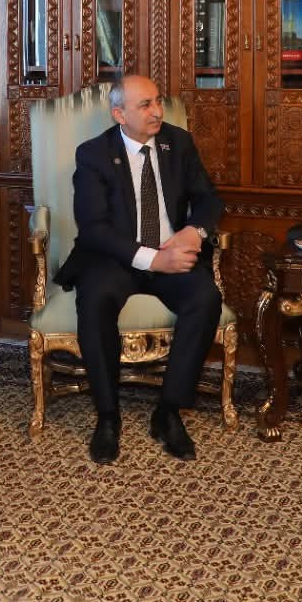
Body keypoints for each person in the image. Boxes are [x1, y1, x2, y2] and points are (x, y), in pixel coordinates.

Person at [56, 74, 223, 464]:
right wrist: (152, 260)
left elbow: (209, 199)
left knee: (205, 298)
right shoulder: (94, 154)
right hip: (116, 257)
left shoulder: (177, 143)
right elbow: (94, 229)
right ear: (119, 115)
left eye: (158, 101)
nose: (157, 111)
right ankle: (107, 416)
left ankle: (168, 411)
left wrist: (194, 231)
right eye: (145, 105)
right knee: (95, 299)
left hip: (171, 251)